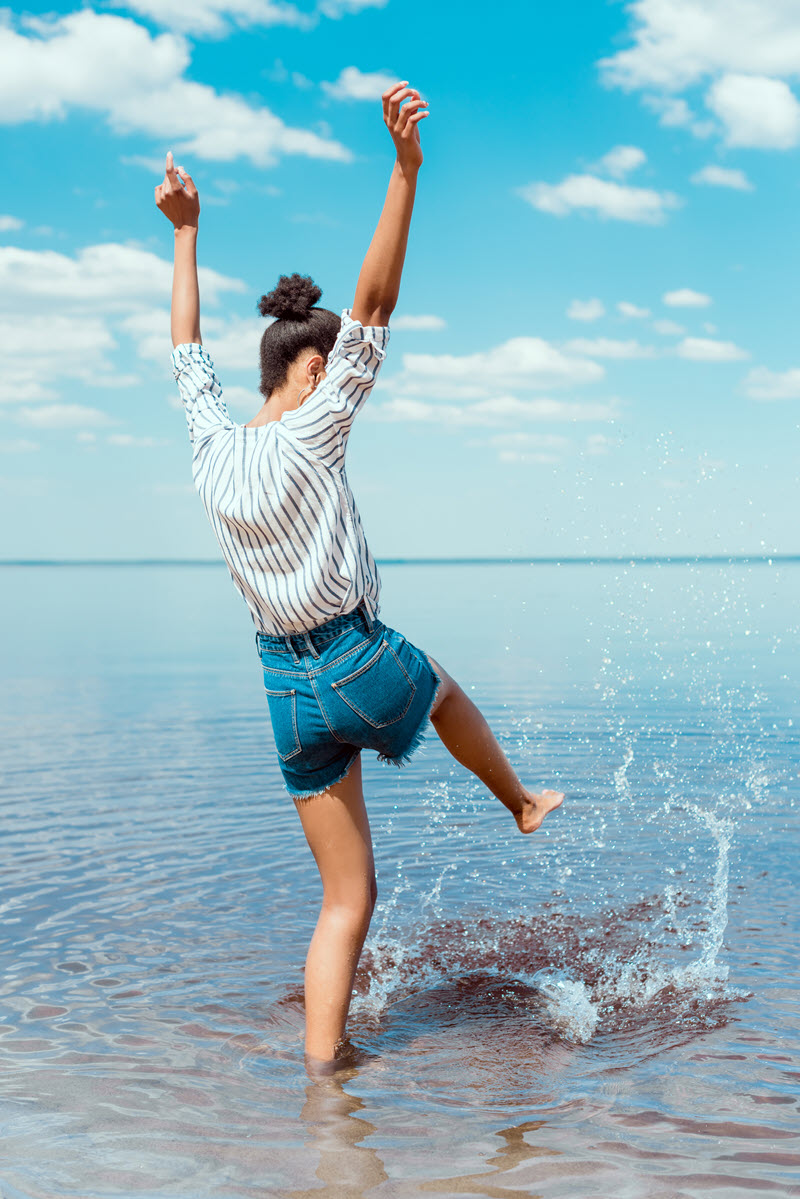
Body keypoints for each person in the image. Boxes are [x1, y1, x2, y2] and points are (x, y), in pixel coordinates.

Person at [156, 80, 564, 1074]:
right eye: (337, 365)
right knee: (443, 684)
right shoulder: (318, 425)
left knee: (345, 898)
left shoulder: (208, 443)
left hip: (282, 690)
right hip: (352, 653)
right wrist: (404, 167)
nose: (350, 376)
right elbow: (374, 300)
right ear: (310, 370)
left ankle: (323, 1076)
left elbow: (184, 351)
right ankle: (515, 800)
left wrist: (184, 233)